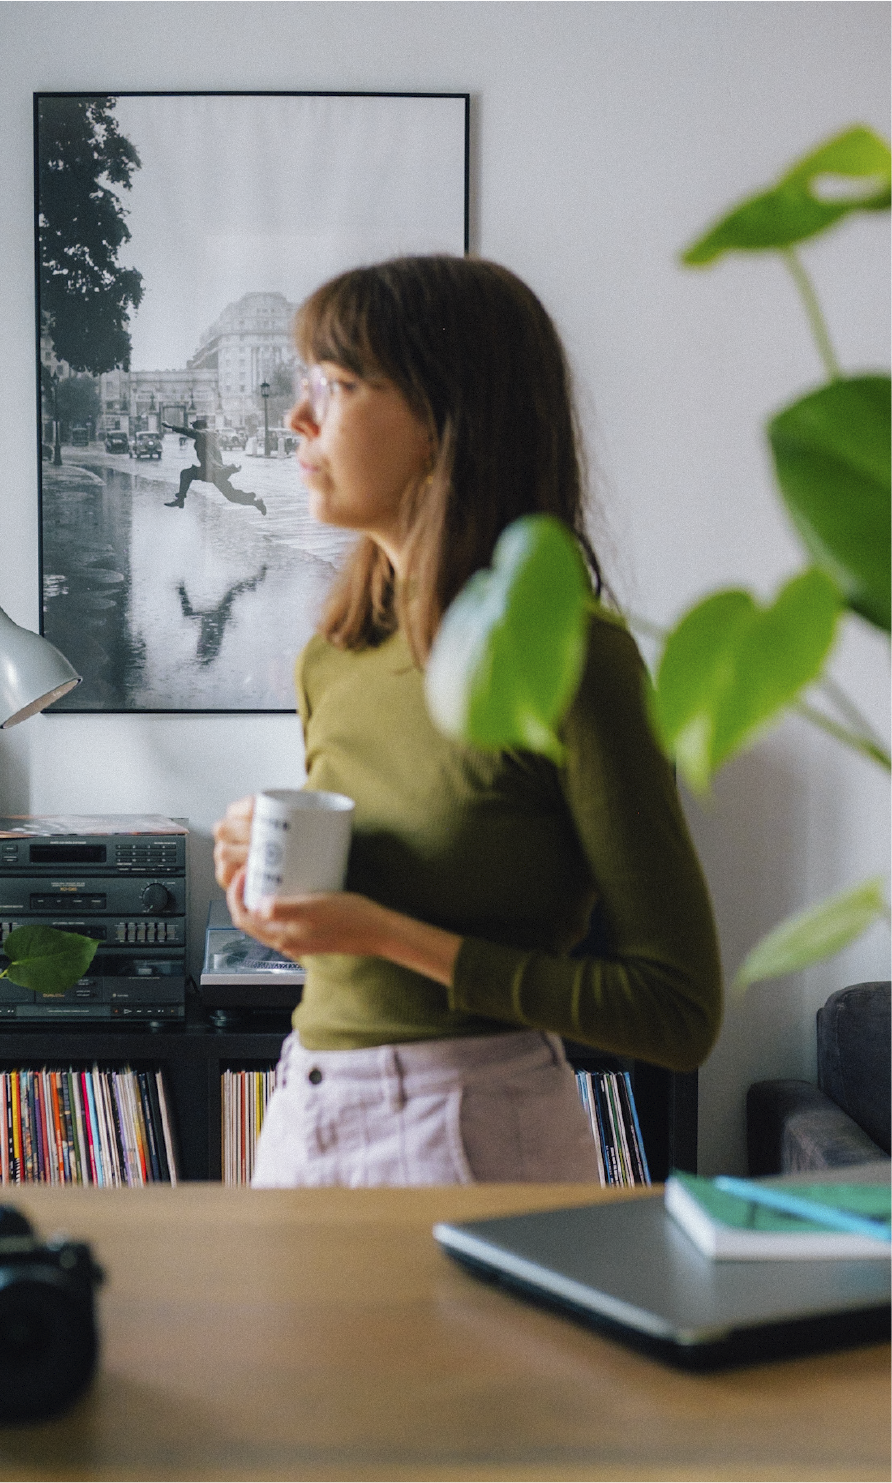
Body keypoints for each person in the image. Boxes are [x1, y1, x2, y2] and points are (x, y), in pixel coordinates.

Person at [213, 256, 722, 1187]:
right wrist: (268, 880)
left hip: (469, 1127)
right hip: (301, 1106)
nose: (296, 418)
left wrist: (377, 931)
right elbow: (371, 899)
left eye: (334, 384)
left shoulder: (574, 659)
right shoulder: (334, 655)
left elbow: (677, 1013)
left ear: (443, 421)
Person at [163, 417, 267, 515]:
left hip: (211, 470)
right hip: (218, 470)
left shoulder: (203, 434)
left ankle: (180, 500)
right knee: (231, 496)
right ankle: (255, 502)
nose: (194, 430)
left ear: (199, 428)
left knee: (186, 473)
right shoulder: (211, 434)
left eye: (194, 428)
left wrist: (171, 426)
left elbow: (189, 432)